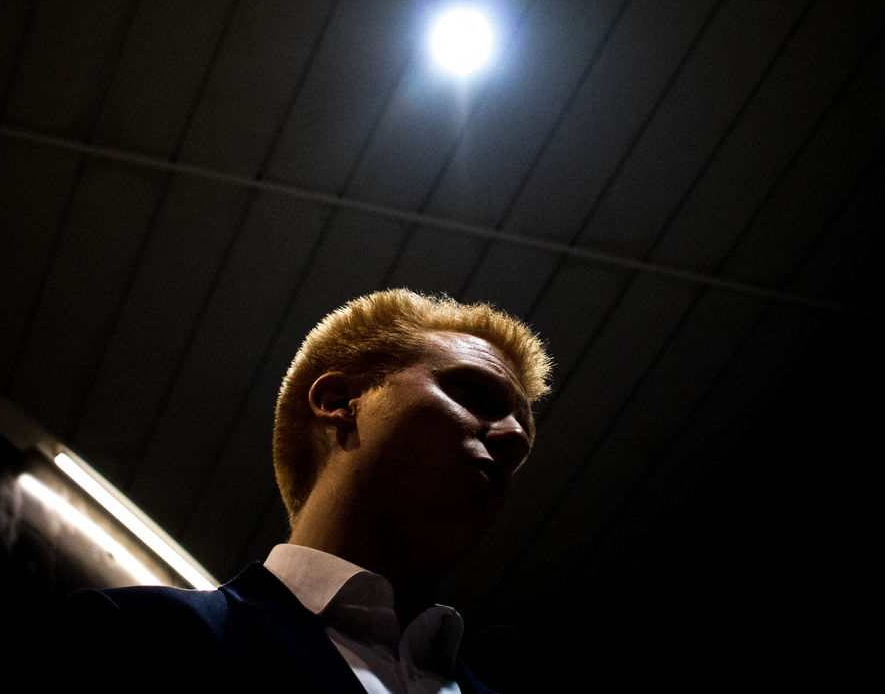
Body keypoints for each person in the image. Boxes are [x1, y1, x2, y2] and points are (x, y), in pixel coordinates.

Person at [60, 288, 552, 693]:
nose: (514, 437)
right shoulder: (140, 636)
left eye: (522, 440)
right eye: (473, 393)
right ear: (339, 401)